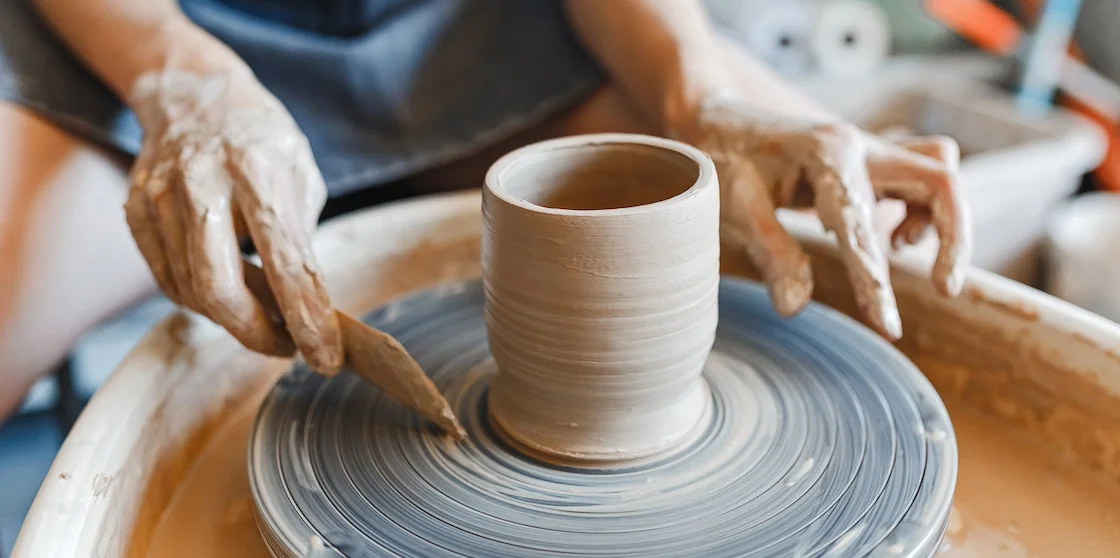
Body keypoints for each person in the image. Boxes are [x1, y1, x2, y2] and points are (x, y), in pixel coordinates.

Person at [0, 0, 969, 418]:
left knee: (853, 237)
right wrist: (182, 81)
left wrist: (698, 95)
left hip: (469, 32)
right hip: (157, 33)